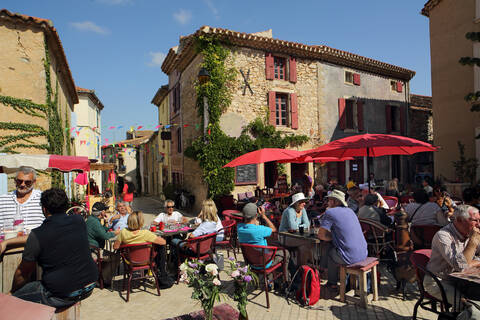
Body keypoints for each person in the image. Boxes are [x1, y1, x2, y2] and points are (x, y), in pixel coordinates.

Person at [3, 188, 98, 308]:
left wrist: (13, 292)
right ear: (66, 206)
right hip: (90, 285)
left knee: (9, 299)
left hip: (61, 294)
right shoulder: (79, 221)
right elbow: (52, 234)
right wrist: (7, 242)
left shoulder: (38, 235)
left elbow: (22, 273)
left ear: (44, 209)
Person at [425, 205, 480, 306]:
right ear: (459, 220)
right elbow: (461, 266)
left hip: (463, 281)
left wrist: (472, 262)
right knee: (468, 305)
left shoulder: (470, 232)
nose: (478, 224)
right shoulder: (443, 236)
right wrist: (472, 243)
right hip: (439, 281)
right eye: (475, 220)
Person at [317, 189, 368, 292]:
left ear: (335, 201)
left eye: (329, 200)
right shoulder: (350, 211)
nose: (327, 202)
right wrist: (338, 237)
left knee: (330, 253)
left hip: (350, 256)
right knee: (334, 249)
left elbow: (321, 235)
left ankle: (332, 282)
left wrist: (334, 237)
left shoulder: (330, 212)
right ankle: (327, 274)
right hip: (364, 253)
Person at [112, 211, 172, 288]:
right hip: (147, 261)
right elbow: (163, 242)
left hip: (131, 261)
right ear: (140, 222)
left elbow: (115, 247)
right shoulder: (145, 233)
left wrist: (124, 244)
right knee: (160, 247)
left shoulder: (123, 232)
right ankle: (161, 273)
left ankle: (155, 273)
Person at [237, 202, 283, 269]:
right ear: (256, 215)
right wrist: (264, 216)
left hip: (251, 262)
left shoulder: (239, 228)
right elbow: (274, 229)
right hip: (265, 263)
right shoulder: (259, 230)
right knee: (285, 252)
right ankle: (286, 278)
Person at [85, 202, 120, 286]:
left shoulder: (91, 219)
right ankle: (104, 279)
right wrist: (115, 233)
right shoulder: (95, 222)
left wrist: (106, 223)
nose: (106, 212)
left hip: (90, 248)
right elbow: (105, 236)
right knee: (116, 256)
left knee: (111, 253)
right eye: (105, 210)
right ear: (102, 212)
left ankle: (102, 275)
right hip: (94, 251)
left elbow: (101, 230)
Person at [0, 166, 44, 232]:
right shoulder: (3, 200)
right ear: (15, 180)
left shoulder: (42, 198)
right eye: (19, 181)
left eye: (27, 182)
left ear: (34, 182)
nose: (23, 185)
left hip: (36, 241)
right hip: (8, 241)